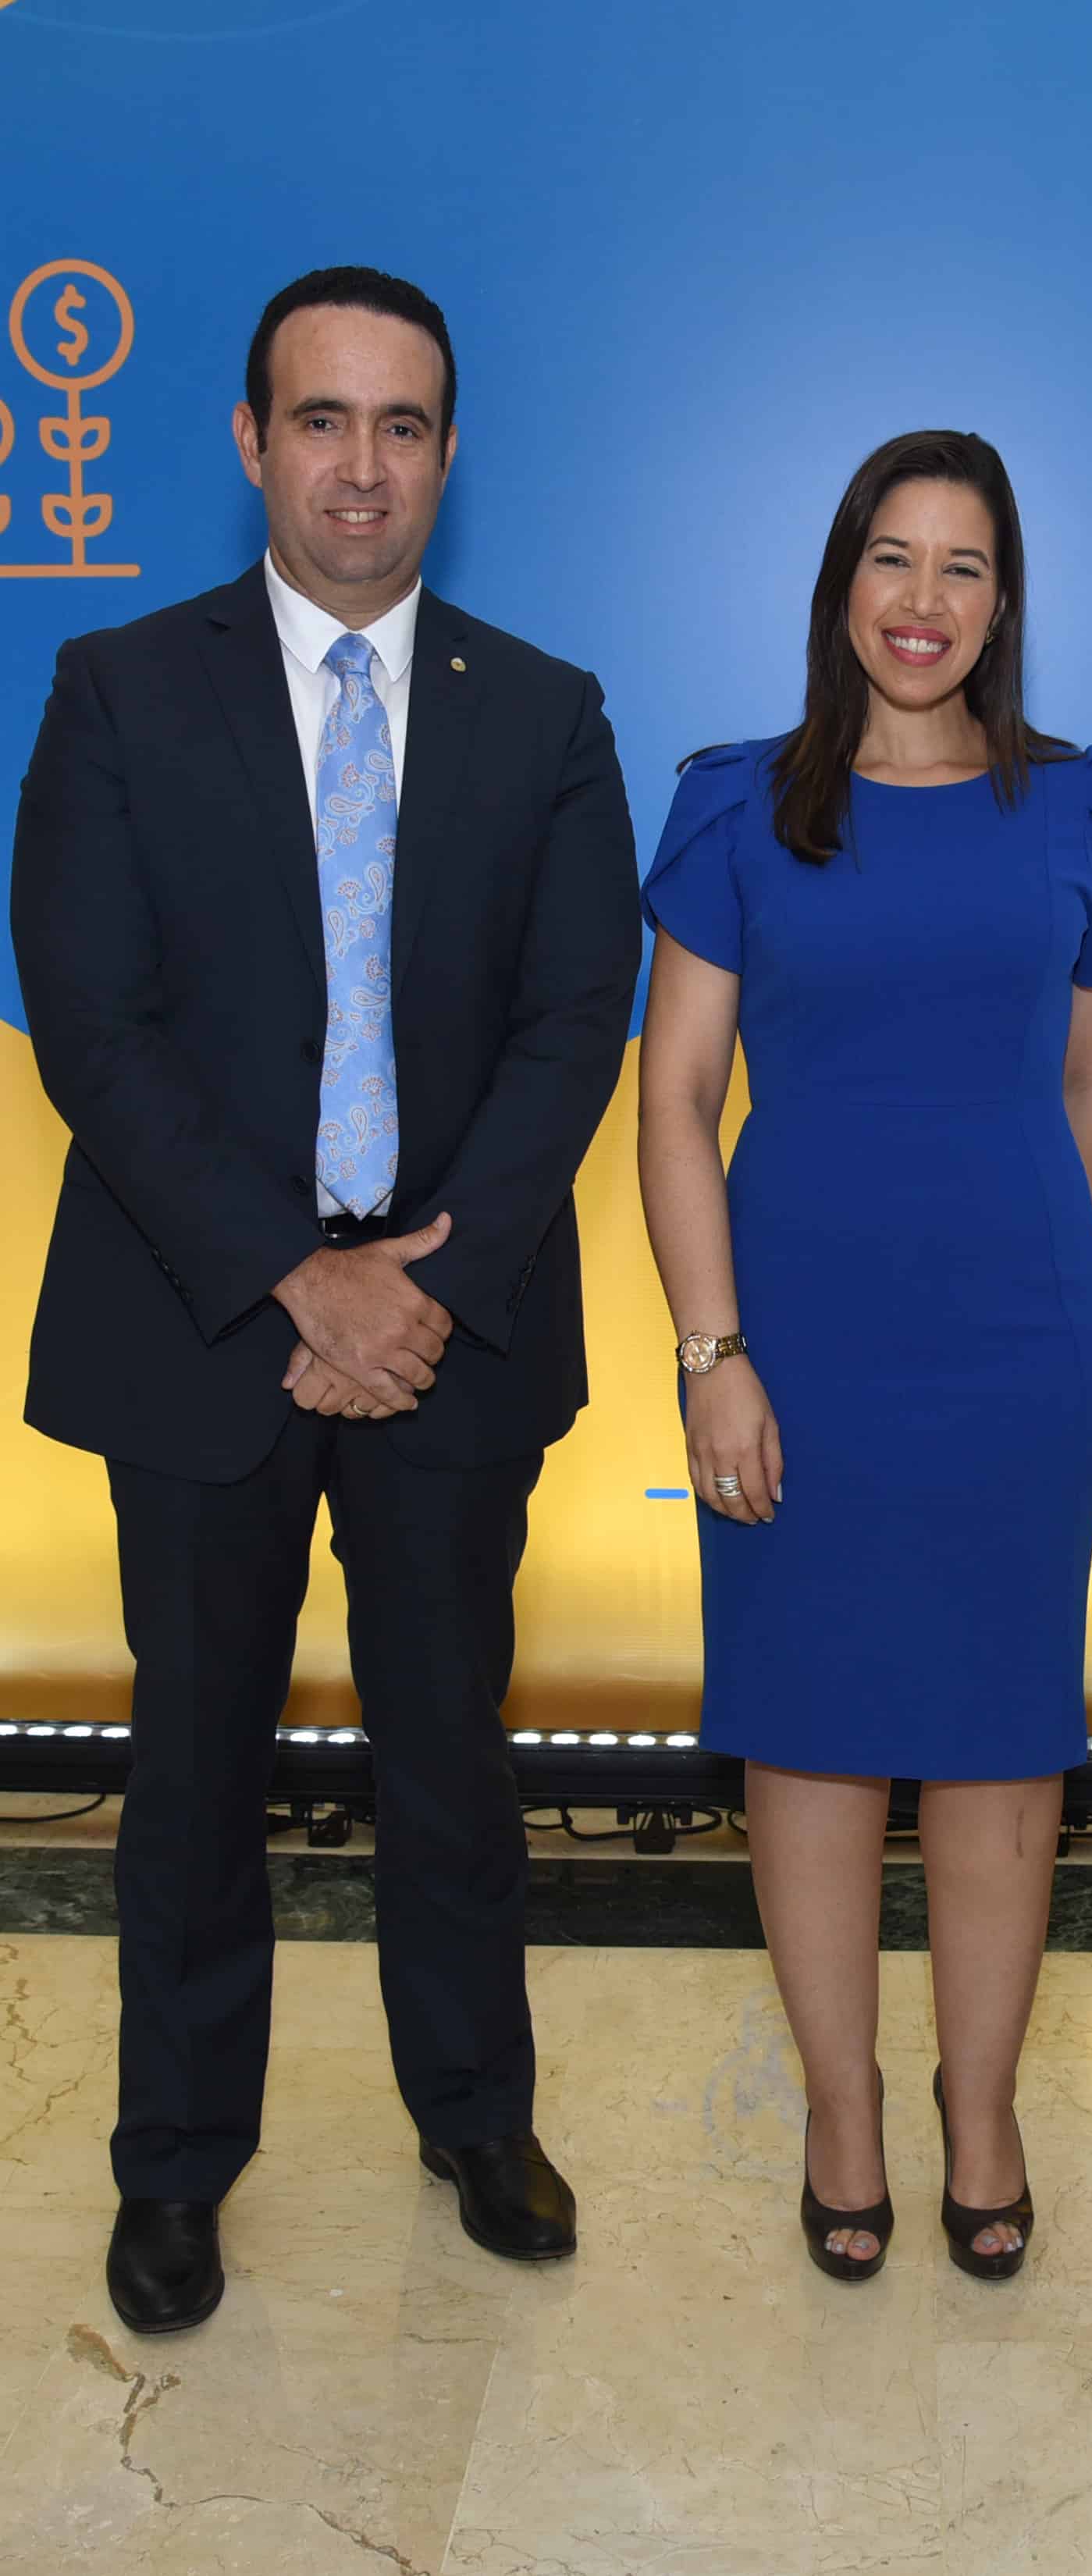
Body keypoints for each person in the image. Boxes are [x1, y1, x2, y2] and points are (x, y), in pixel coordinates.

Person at [11, 266, 640, 2333]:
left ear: (449, 453)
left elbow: (572, 1022)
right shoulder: (117, 688)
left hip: (449, 1325)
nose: (359, 465)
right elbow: (90, 1023)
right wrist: (296, 1274)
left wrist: (410, 1284)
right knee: (195, 1759)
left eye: (400, 426)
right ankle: (178, 2165)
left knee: (452, 1749)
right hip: (212, 1320)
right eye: (321, 420)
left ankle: (477, 2114)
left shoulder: (544, 713)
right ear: (250, 441)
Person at [636, 430, 1092, 2284]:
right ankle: (842, 2114)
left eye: (966, 568)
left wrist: (1058, 1306)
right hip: (801, 1354)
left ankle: (982, 2111)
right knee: (816, 1743)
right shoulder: (736, 805)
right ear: (841, 580)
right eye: (894, 560)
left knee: (1009, 1752)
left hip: (1021, 1356)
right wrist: (714, 1354)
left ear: (1005, 602)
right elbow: (678, 1102)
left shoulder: (1079, 804)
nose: (925, 603)